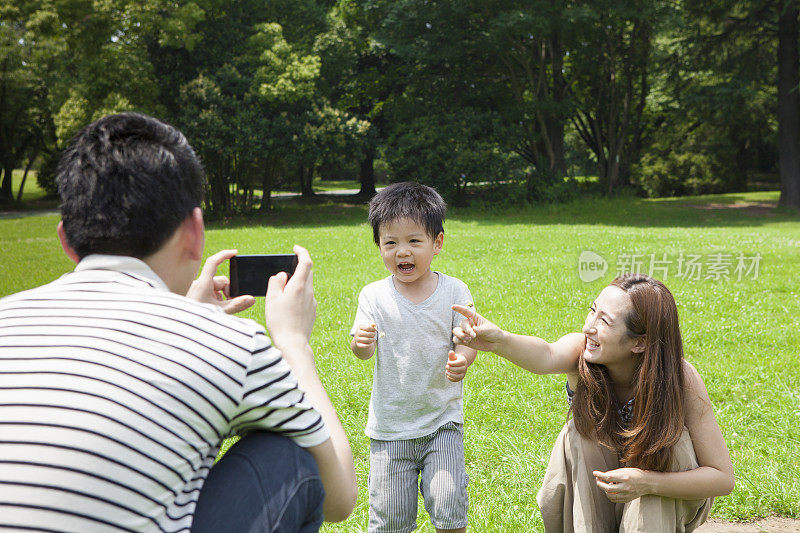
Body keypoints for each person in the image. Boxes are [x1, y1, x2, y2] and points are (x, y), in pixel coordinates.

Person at [0, 112, 356, 532]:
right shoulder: (233, 344)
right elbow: (340, 496)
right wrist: (294, 341)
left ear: (65, 239)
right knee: (292, 461)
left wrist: (187, 311)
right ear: (194, 232)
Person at [451, 273, 735, 532]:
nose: (589, 327)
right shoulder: (583, 354)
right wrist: (500, 341)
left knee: (667, 453)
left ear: (640, 343)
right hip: (600, 485)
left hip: (664, 493)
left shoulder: (679, 378)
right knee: (580, 434)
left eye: (605, 321)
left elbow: (722, 478)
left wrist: (647, 482)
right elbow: (546, 355)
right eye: (592, 310)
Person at [350, 182, 478, 533]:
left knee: (450, 508)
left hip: (442, 422)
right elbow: (362, 349)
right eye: (390, 243)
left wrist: (464, 358)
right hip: (390, 429)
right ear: (379, 246)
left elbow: (468, 338)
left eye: (413, 241)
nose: (402, 252)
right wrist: (361, 342)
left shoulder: (455, 291)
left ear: (437, 243)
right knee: (391, 520)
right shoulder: (373, 296)